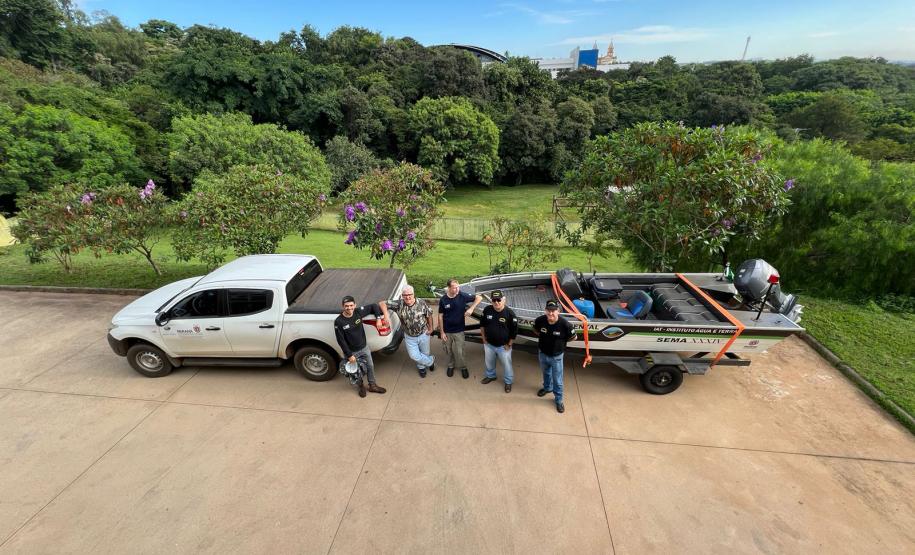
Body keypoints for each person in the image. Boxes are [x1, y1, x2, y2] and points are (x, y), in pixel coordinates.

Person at [333, 295, 387, 398]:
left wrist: (378, 319)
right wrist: (349, 355)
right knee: (356, 372)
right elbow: (341, 340)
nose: (349, 308)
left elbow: (374, 306)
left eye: (351, 305)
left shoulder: (358, 312)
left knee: (370, 366)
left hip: (364, 348)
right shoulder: (339, 321)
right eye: (346, 306)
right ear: (343, 306)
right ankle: (361, 386)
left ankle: (372, 385)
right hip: (352, 352)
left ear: (355, 305)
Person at [380, 285, 435, 377]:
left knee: (425, 353)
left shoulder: (421, 303)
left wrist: (431, 328)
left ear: (414, 294)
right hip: (409, 336)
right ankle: (431, 361)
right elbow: (382, 303)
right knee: (414, 355)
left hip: (423, 334)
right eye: (405, 295)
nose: (408, 297)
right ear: (402, 295)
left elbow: (429, 315)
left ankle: (421, 367)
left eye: (410, 294)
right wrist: (386, 315)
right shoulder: (398, 304)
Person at [532, 299, 576, 413]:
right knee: (546, 373)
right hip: (542, 353)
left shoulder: (565, 325)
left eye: (553, 310)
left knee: (558, 380)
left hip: (556, 357)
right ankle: (547, 388)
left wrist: (560, 344)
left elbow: (573, 337)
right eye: (548, 310)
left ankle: (559, 400)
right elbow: (536, 330)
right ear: (545, 310)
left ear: (558, 311)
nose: (551, 313)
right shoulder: (540, 320)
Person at [438, 278, 481, 379]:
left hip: (459, 330)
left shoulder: (462, 296)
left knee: (460, 351)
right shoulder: (443, 300)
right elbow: (440, 316)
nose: (457, 290)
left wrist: (471, 308)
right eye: (454, 288)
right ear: (449, 288)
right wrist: (442, 332)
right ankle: (451, 365)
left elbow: (479, 298)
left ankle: (463, 367)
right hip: (447, 331)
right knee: (448, 350)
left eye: (458, 287)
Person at [479, 290, 518, 392]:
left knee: (507, 365)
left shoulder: (510, 314)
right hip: (489, 344)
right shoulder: (487, 310)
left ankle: (508, 382)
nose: (496, 302)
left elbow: (514, 331)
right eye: (494, 300)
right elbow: (482, 325)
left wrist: (509, 344)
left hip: (503, 346)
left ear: (503, 300)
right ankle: (491, 376)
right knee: (489, 362)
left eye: (498, 300)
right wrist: (483, 339)